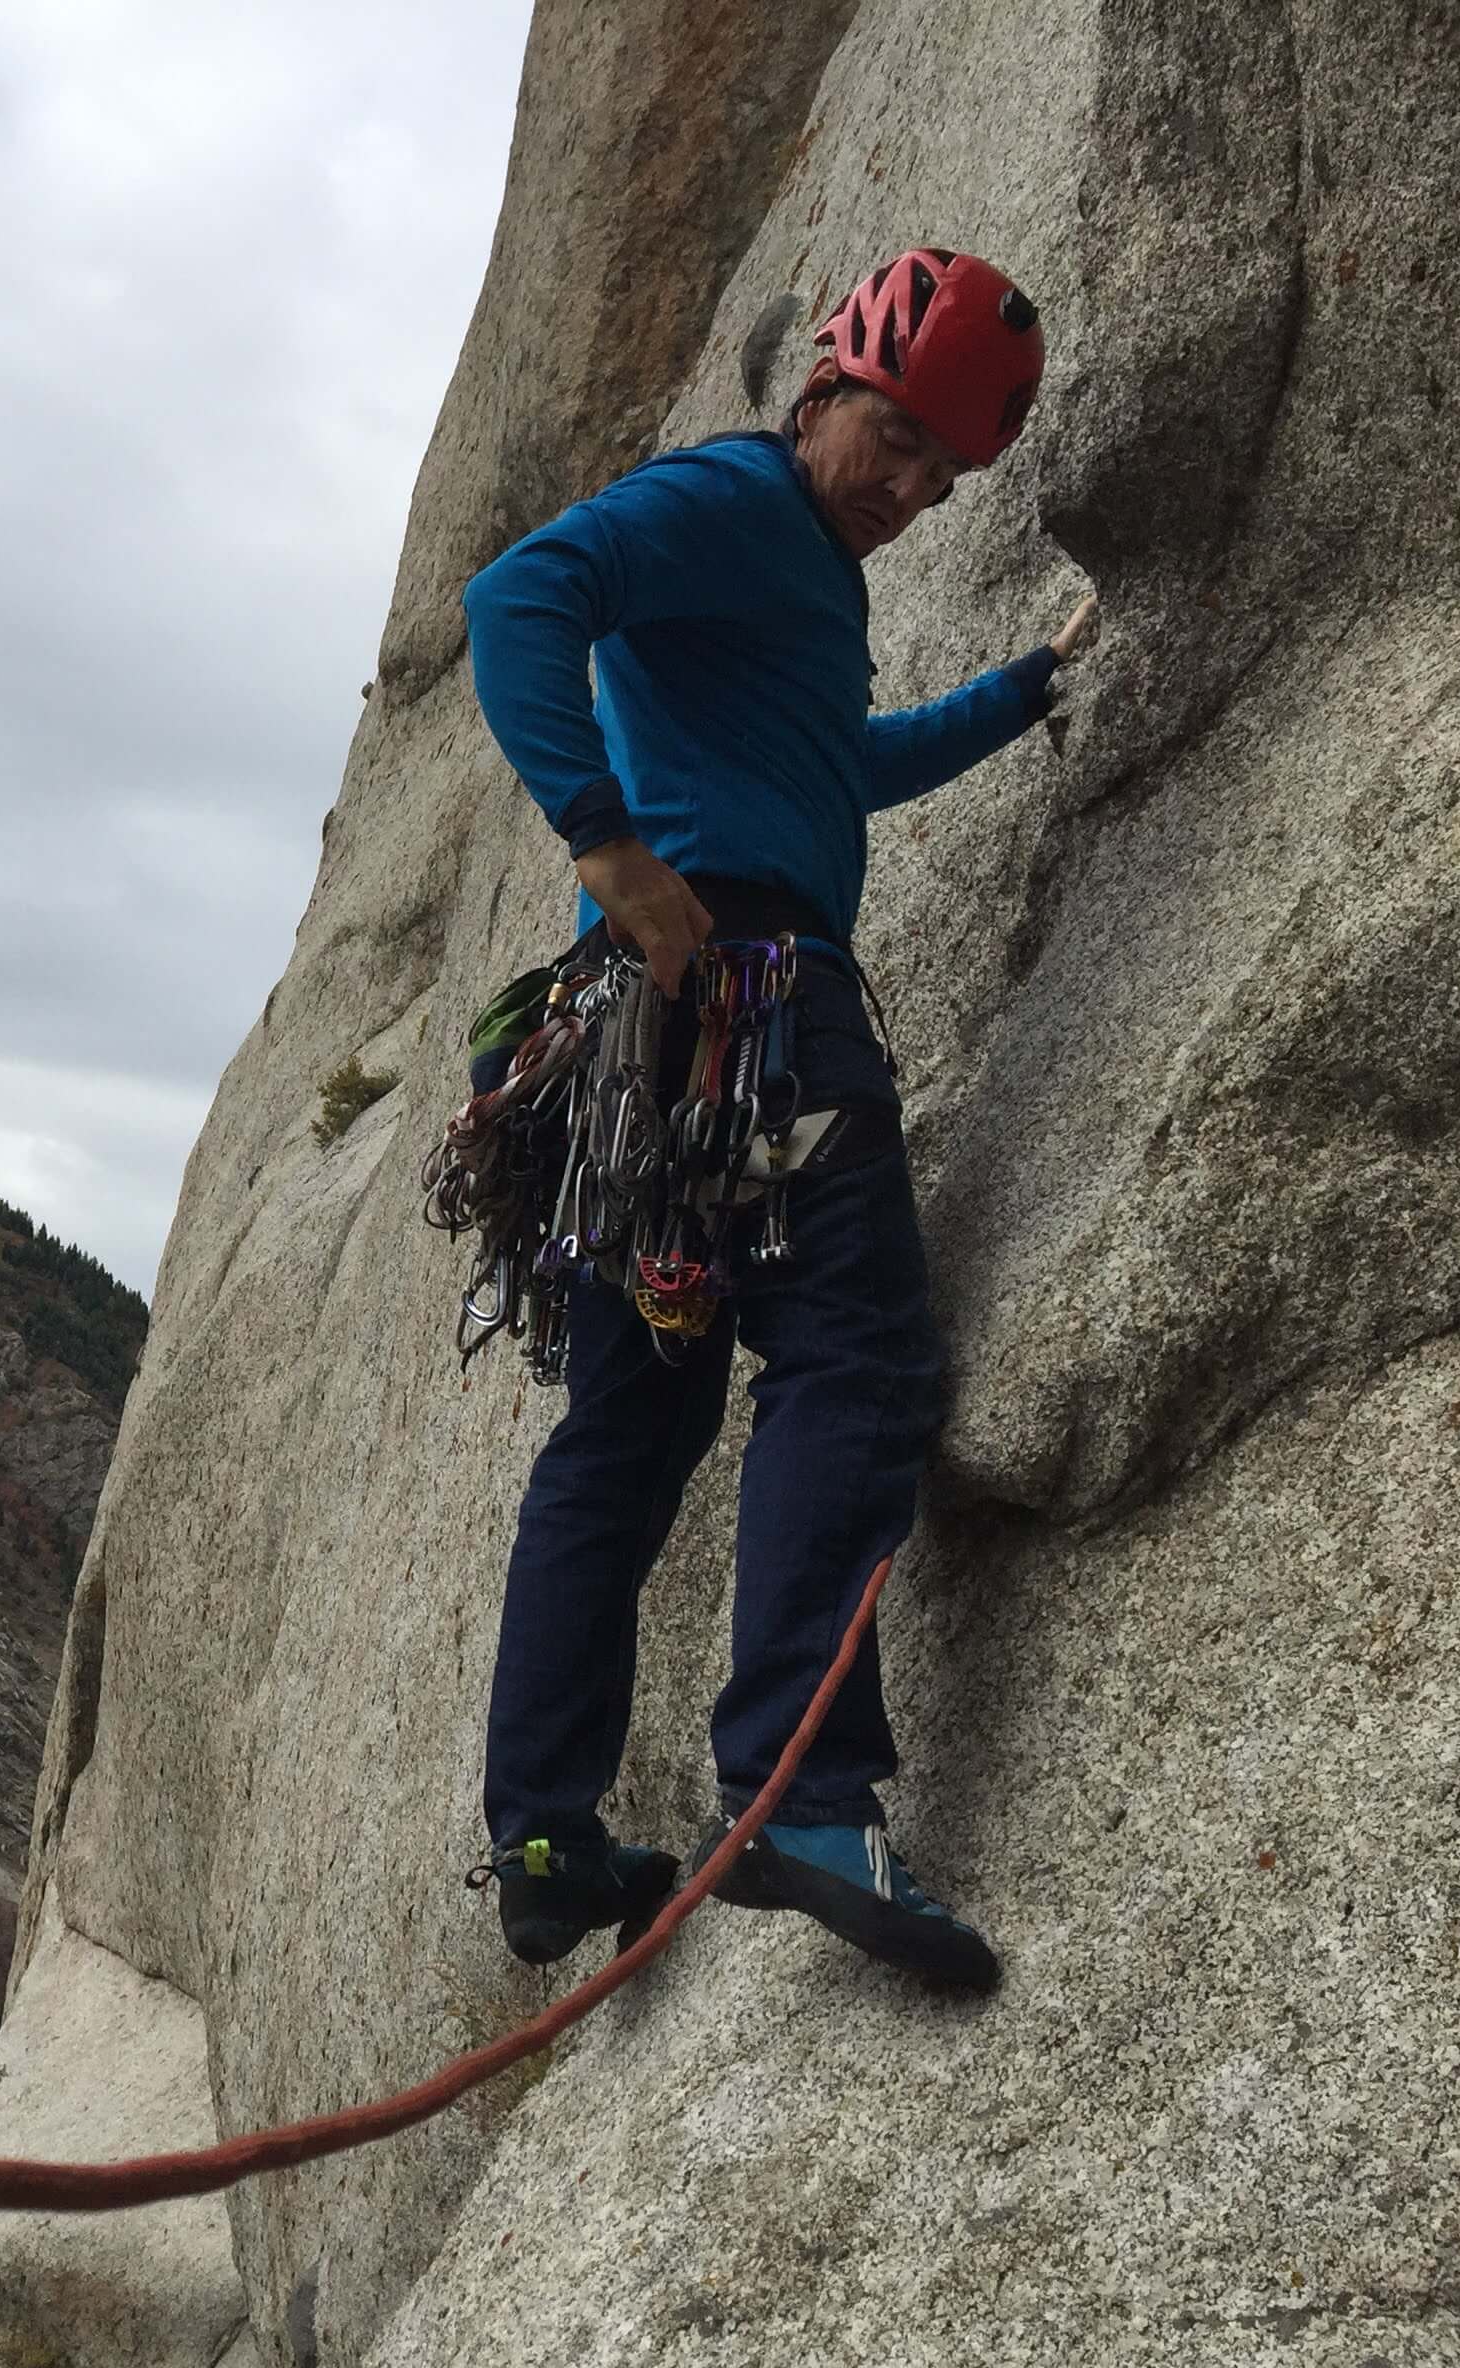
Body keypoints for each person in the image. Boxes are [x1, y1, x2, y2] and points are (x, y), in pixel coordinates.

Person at [452, 248, 1098, 1991]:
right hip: (754, 1001)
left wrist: (1021, 693)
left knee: (630, 1428)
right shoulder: (736, 505)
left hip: (637, 1054)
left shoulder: (787, 579)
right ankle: (805, 1795)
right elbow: (520, 594)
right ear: (821, 391)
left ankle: (546, 1834)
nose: (905, 492)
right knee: (858, 1356)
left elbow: (841, 768)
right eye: (890, 441)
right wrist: (603, 841)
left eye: (938, 476)